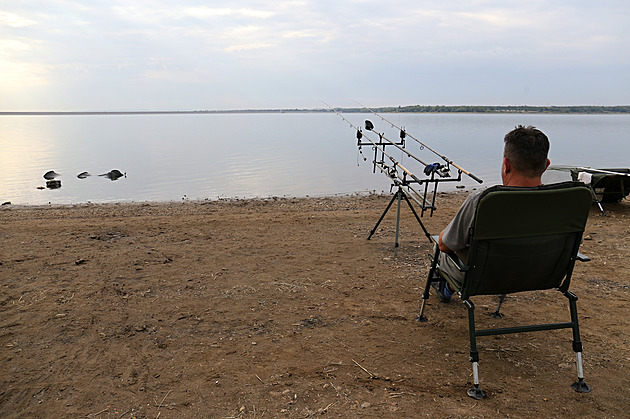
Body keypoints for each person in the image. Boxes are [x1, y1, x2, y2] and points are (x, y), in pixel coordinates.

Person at [432, 125, 551, 302]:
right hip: (541, 273)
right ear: (546, 165)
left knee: (438, 245)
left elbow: (445, 245)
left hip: (483, 277)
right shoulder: (563, 200)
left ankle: (447, 287)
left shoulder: (483, 201)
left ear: (506, 165)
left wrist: (443, 237)